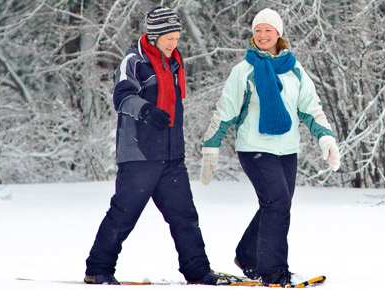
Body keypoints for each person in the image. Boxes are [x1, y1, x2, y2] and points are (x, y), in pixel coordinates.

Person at [83, 6, 233, 285]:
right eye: (168, 38)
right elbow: (122, 97)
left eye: (176, 38)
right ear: (154, 36)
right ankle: (98, 269)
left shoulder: (174, 62)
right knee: (123, 215)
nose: (173, 44)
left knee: (185, 216)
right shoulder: (134, 60)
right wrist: (147, 111)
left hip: (171, 155)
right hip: (140, 154)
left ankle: (197, 270)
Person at [199, 8, 341, 287]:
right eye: (258, 30)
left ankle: (248, 256)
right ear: (253, 35)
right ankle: (274, 272)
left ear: (279, 34)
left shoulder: (295, 70)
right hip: (254, 148)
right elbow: (225, 111)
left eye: (268, 30)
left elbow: (311, 109)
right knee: (277, 203)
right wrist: (210, 147)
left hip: (287, 149)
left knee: (277, 203)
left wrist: (326, 138)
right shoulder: (244, 71)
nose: (263, 35)